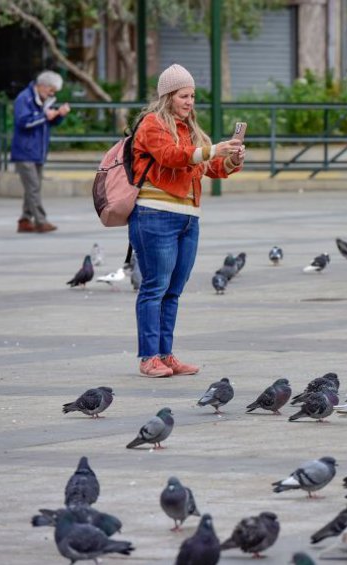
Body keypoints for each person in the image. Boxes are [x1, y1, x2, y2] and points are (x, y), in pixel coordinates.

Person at [129, 64, 245, 377]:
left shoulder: (189, 130)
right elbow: (172, 157)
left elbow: (206, 167)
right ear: (167, 96)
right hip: (155, 214)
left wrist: (230, 160)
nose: (189, 101)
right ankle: (148, 357)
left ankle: (165, 355)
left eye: (192, 95)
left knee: (173, 291)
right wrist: (211, 149)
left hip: (188, 218)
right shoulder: (152, 124)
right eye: (183, 95)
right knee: (154, 287)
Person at [11, 70, 70, 233]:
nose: (52, 93)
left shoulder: (43, 100)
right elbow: (23, 122)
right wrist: (45, 116)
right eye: (51, 90)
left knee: (33, 187)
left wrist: (59, 115)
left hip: (37, 151)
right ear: (42, 86)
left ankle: (24, 220)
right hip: (25, 151)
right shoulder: (25, 98)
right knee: (34, 187)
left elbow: (47, 123)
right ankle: (41, 221)